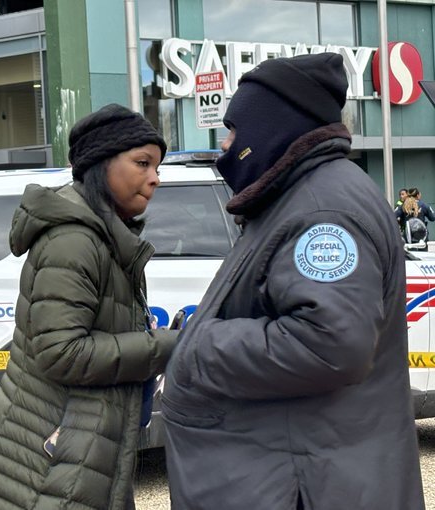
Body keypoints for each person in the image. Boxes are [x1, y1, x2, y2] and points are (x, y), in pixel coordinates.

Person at [161, 53, 425, 510]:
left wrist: (203, 346)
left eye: (234, 130)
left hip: (312, 486)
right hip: (305, 474)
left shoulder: (324, 212)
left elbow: (329, 344)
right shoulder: (301, 197)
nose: (226, 144)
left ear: (272, 127)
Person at [0, 103, 178, 510]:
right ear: (100, 163)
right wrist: (166, 346)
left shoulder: (106, 236)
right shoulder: (74, 239)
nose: (154, 179)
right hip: (47, 458)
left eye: (157, 167)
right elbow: (62, 353)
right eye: (142, 163)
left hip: (74, 449)